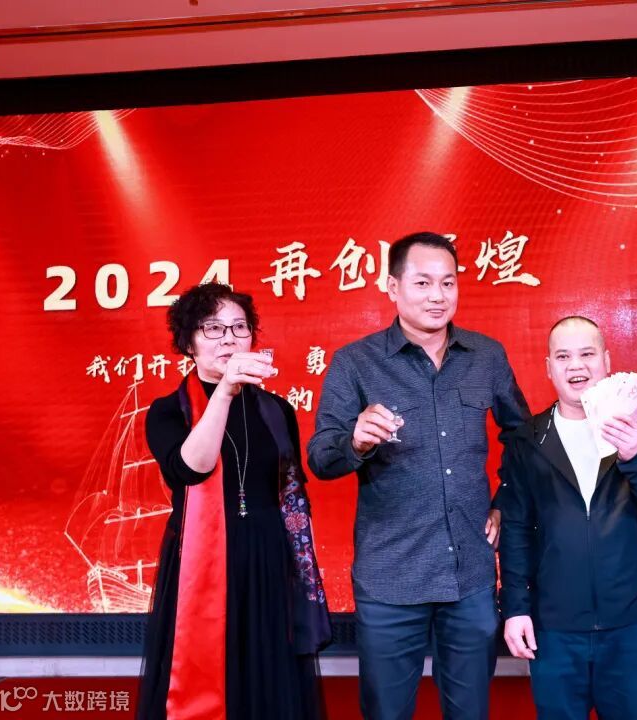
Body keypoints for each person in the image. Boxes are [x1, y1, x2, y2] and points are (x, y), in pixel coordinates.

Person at [307, 232, 530, 720]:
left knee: (470, 711)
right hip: (391, 575)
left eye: (448, 282)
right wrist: (355, 442)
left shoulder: (486, 356)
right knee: (387, 712)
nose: (437, 295)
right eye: (423, 282)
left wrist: (504, 500)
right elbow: (320, 458)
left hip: (469, 572)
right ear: (393, 287)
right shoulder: (355, 362)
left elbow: (523, 438)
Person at [138, 282, 330, 720]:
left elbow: (290, 491)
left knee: (268, 681)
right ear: (188, 342)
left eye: (239, 327)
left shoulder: (276, 410)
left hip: (267, 559)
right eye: (213, 328)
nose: (229, 338)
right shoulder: (167, 411)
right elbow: (192, 468)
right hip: (199, 563)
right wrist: (224, 391)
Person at [499, 316, 637, 720]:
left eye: (587, 354)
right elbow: (515, 531)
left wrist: (636, 457)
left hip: (631, 621)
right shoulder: (527, 439)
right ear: (548, 367)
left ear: (606, 360)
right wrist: (515, 608)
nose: (576, 366)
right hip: (554, 626)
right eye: (563, 356)